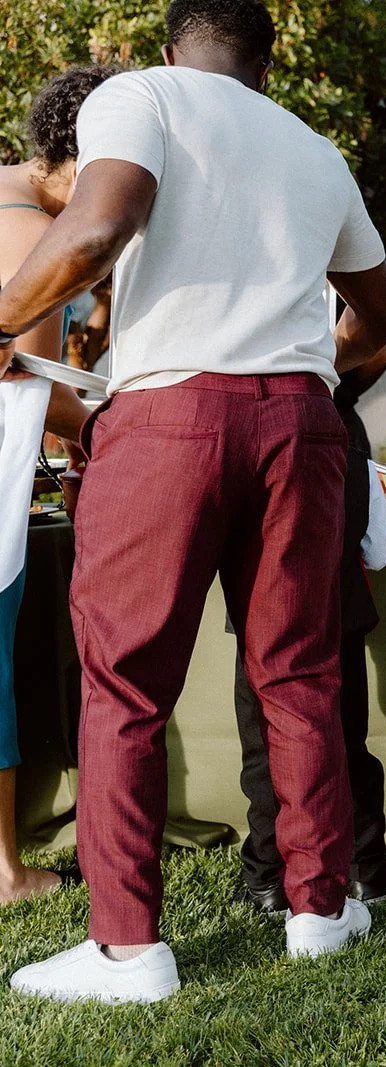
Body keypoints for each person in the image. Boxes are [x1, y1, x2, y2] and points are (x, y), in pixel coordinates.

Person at [1, 0, 386, 1004]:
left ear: (174, 50)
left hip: (171, 416)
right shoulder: (317, 148)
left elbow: (99, 223)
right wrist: (298, 360)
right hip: (302, 423)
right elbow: (381, 314)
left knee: (127, 683)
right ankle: (319, 909)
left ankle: (129, 949)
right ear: (266, 66)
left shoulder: (139, 95)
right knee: (300, 672)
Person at [0, 65, 118, 907]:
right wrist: (117, 431)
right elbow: (27, 389)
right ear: (69, 157)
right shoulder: (34, 240)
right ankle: (5, 871)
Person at [234, 340, 386, 915]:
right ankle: (366, 870)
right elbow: (380, 550)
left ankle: (266, 875)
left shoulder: (251, 423)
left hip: (262, 617)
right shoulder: (347, 433)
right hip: (340, 612)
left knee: (264, 746)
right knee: (347, 740)